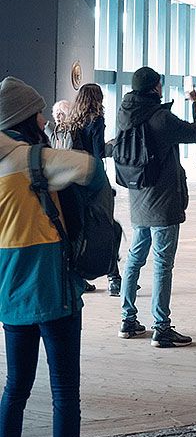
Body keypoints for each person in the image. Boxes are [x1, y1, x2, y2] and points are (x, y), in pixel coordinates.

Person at [0, 76, 102, 437]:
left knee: (15, 389)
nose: (43, 120)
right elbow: (92, 170)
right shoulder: (35, 159)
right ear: (26, 117)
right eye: (39, 113)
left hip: (11, 294)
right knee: (64, 394)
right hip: (54, 291)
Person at [116, 66, 196, 348]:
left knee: (134, 259)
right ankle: (161, 327)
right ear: (156, 87)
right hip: (163, 200)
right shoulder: (160, 118)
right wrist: (195, 103)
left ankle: (128, 320)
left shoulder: (124, 115)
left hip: (137, 197)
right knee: (162, 264)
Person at [51, 84, 121, 296]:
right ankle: (114, 279)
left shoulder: (72, 119)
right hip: (93, 177)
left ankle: (79, 279)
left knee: (80, 227)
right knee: (105, 225)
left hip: (73, 179)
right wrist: (114, 144)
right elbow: (99, 151)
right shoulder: (96, 119)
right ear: (97, 98)